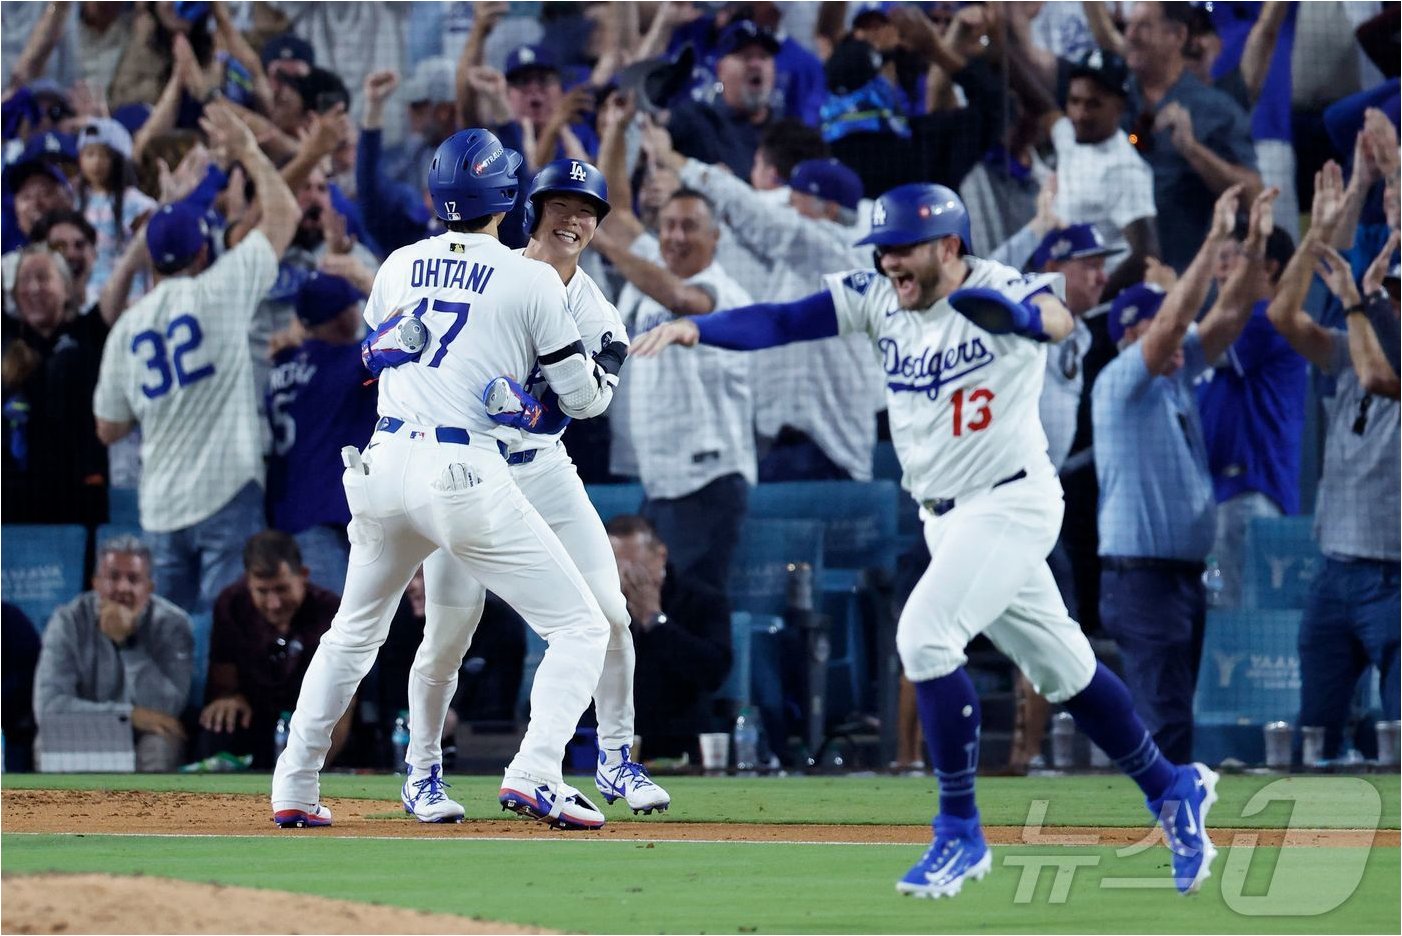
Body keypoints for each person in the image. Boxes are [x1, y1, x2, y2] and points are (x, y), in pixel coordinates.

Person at [633, 182, 1221, 898]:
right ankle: (1172, 787)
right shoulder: (880, 295)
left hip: (1009, 501)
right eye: (881, 250)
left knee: (925, 639)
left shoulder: (1001, 286)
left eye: (902, 248)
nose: (888, 262)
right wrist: (701, 329)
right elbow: (785, 320)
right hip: (944, 517)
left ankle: (959, 831)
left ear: (948, 245)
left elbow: (1058, 316)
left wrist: (1018, 317)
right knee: (1064, 669)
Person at [270, 127, 618, 832]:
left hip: (382, 465)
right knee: (582, 627)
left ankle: (296, 783)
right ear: (510, 198)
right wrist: (546, 399)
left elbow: (380, 354)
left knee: (351, 635)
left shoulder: (398, 263)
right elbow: (582, 401)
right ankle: (535, 771)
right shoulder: (532, 279)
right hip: (463, 471)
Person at [398, 157, 671, 820]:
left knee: (609, 614)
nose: (573, 220)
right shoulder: (492, 273)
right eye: (561, 205)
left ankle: (615, 757)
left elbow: (585, 406)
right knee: (448, 632)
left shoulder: (598, 315)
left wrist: (527, 411)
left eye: (587, 211)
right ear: (533, 209)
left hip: (540, 466)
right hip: (466, 471)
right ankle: (423, 770)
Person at [1092, 185, 1278, 764]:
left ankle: (1166, 810)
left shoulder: (1174, 376)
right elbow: (1176, 321)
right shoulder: (1121, 383)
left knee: (1172, 714)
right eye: (1161, 326)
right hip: (1142, 580)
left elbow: (1230, 315)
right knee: (1163, 719)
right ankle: (1160, 816)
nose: (1181, 334)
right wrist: (1215, 237)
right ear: (1130, 335)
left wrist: (1254, 247)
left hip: (1176, 579)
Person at [92, 103, 299, 614]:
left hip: (162, 502)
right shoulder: (220, 288)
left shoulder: (127, 327)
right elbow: (285, 215)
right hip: (226, 489)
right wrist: (249, 150)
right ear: (203, 252)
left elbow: (108, 429)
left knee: (171, 632)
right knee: (229, 628)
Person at [1267, 163, 1399, 762]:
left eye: (1396, 297)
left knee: (1398, 737)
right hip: (1335, 571)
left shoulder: (1370, 355)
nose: (1392, 304)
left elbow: (1378, 377)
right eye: (1390, 294)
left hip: (1395, 578)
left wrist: (1355, 301)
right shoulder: (1352, 348)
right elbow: (1282, 316)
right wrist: (1316, 239)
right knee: (1316, 733)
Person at [591, 182, 756, 594]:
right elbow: (618, 211)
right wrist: (618, 139)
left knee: (691, 602)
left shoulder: (724, 294)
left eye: (689, 226)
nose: (676, 236)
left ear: (715, 236)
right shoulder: (653, 279)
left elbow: (683, 299)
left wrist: (604, 245)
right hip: (662, 479)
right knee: (649, 600)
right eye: (668, 226)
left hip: (707, 481)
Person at [1196, 214, 1305, 608]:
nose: (1221, 269)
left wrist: (1171, 293)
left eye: (1233, 258)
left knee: (1240, 622)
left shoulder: (1266, 318)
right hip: (1223, 495)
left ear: (1268, 267)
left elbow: (1190, 344)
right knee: (1223, 618)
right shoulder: (1235, 322)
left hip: (1250, 492)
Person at [32, 535, 193, 772]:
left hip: (146, 734)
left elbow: (168, 708)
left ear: (150, 588)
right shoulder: (67, 622)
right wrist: (128, 715)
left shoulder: (173, 623)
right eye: (113, 577)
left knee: (163, 741)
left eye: (134, 579)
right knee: (48, 740)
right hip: (86, 729)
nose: (123, 588)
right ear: (96, 583)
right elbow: (48, 707)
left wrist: (128, 646)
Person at [1122, 1, 1261, 271]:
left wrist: (1192, 150)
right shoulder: (1114, 98)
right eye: (1129, 25)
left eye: (1144, 26)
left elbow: (1253, 195)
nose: (1131, 35)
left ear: (1177, 36)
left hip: (1188, 270)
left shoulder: (1214, 108)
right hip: (1116, 274)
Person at [266, 271, 379, 597]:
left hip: (289, 511)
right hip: (330, 512)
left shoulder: (280, 363)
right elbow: (402, 336)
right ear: (343, 317)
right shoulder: (349, 363)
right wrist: (370, 283)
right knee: (335, 616)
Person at [199, 531, 343, 770]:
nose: (274, 603)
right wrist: (229, 698)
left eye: (282, 589)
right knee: (219, 721)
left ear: (303, 575)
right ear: (248, 582)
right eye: (262, 591)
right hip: (254, 719)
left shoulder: (330, 612)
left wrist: (307, 768)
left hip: (314, 721)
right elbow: (223, 683)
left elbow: (343, 700)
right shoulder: (231, 605)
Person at [607, 514, 733, 761]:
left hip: (681, 740)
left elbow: (714, 672)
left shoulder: (703, 600)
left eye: (636, 568)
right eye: (616, 568)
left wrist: (655, 621)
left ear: (660, 556)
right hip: (606, 741)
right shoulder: (593, 605)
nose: (627, 577)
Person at [2, 245, 110, 526]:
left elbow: (113, 297)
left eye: (43, 277)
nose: (33, 288)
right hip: (11, 505)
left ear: (67, 289)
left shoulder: (88, 334)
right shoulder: (6, 342)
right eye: (24, 280)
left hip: (77, 501)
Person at [1050, 49, 1160, 295]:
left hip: (1096, 302)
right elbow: (1043, 107)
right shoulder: (1069, 133)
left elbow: (1146, 255)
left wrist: (1093, 299)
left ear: (1118, 107)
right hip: (1061, 291)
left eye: (1093, 104)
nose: (1080, 114)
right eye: (1074, 101)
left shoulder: (1124, 169)